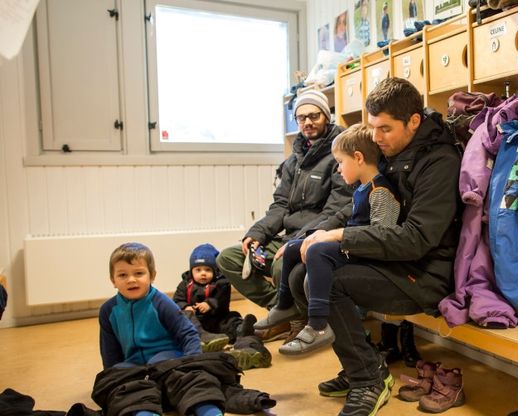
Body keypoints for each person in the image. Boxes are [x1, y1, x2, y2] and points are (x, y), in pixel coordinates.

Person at [299, 77, 462, 416]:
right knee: (307, 268)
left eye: (384, 128)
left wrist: (342, 237)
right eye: (372, 127)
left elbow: (416, 239)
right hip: (394, 263)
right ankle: (363, 363)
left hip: (423, 276)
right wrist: (321, 231)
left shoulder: (439, 163)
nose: (375, 137)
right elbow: (359, 204)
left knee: (328, 282)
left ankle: (368, 379)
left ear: (413, 122)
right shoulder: (394, 151)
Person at [216, 89, 351, 343]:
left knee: (282, 265)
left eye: (314, 115)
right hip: (287, 235)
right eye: (301, 118)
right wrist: (257, 234)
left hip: (314, 238)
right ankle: (284, 310)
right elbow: (279, 205)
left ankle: (293, 316)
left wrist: (297, 241)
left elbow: (334, 211)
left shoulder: (338, 156)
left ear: (326, 116)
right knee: (228, 258)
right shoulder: (293, 161)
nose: (307, 122)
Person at [266, 124, 401, 356]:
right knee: (293, 249)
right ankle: (284, 305)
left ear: (358, 158)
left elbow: (383, 237)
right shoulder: (362, 188)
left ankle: (318, 325)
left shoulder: (380, 192)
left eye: (340, 162)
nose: (338, 169)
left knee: (318, 251)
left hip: (367, 254)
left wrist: (337, 239)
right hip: (353, 245)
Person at [98, 242, 224, 416]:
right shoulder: (107, 311)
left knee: (194, 382)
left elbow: (187, 333)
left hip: (168, 362)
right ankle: (143, 412)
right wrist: (114, 379)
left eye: (139, 273)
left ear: (152, 275)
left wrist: (192, 365)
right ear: (113, 280)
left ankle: (208, 411)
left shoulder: (161, 302)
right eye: (122, 275)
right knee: (120, 384)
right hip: (135, 368)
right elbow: (109, 352)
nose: (131, 280)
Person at [173, 243, 256, 352]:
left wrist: (210, 304)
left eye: (207, 270)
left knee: (231, 319)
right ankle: (201, 338)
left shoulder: (221, 284)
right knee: (184, 317)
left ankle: (241, 330)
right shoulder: (184, 284)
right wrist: (186, 307)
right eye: (198, 270)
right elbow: (177, 300)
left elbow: (222, 300)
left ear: (215, 271)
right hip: (196, 321)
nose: (203, 273)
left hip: (216, 320)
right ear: (191, 271)